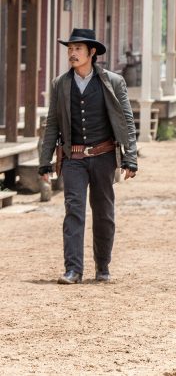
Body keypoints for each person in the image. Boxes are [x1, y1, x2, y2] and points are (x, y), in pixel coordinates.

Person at [38, 28, 138, 284]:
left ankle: (103, 266)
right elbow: (52, 124)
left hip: (104, 156)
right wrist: (44, 161)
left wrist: (131, 157)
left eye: (77, 49)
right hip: (73, 158)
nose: (72, 54)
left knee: (104, 212)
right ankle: (73, 269)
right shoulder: (60, 84)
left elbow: (126, 119)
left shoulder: (113, 81)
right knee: (74, 211)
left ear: (91, 53)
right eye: (70, 49)